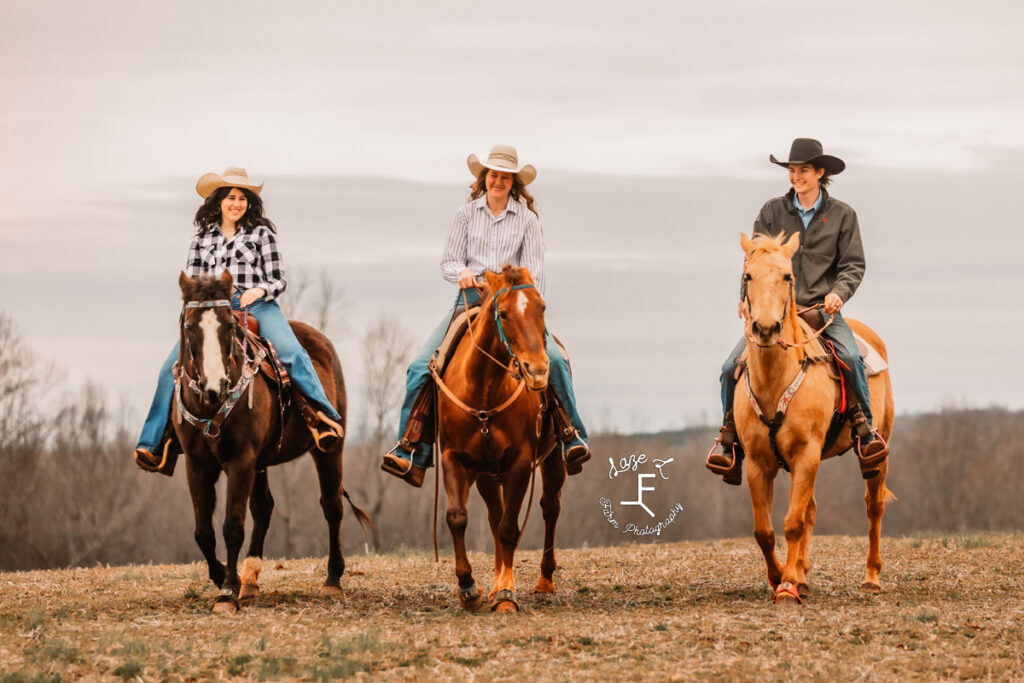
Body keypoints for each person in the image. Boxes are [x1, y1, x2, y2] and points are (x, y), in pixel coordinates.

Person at [380, 145, 590, 487]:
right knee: (421, 366)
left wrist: (524, 307)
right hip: (471, 303)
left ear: (513, 183)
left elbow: (534, 272)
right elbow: (449, 260)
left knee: (555, 359)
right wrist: (461, 273)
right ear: (484, 178)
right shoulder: (465, 215)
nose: (498, 181)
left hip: (514, 308)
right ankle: (411, 448)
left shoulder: (527, 220)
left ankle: (571, 435)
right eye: (493, 175)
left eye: (504, 177)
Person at [133, 167, 344, 475]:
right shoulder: (201, 241)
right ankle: (155, 443)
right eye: (231, 197)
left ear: (249, 203)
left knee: (292, 352)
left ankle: (323, 418)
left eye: (242, 198)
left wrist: (258, 290)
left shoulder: (261, 234)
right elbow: (192, 282)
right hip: (213, 311)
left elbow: (278, 278)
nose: (237, 203)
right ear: (219, 201)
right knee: (170, 369)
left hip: (257, 306)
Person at [707, 138, 886, 485]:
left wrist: (839, 293)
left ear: (821, 173)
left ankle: (864, 431)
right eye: (792, 170)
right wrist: (745, 297)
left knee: (850, 355)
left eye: (803, 170)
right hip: (773, 314)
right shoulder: (772, 211)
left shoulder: (843, 215)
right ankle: (730, 440)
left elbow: (853, 265)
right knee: (731, 366)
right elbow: (753, 264)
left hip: (821, 312)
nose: (796, 176)